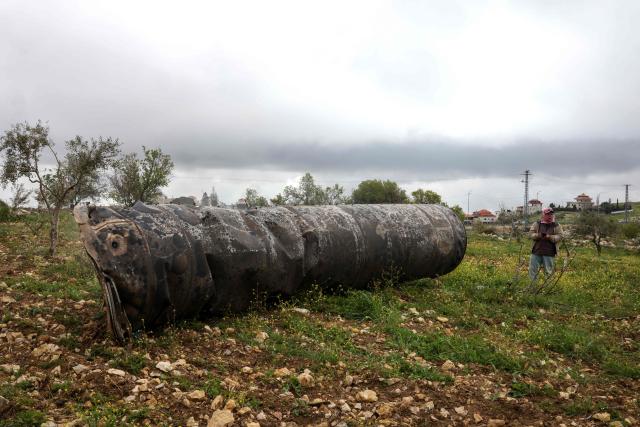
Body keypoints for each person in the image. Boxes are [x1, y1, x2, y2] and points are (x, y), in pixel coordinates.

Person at [528, 207, 563, 281]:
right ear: (543, 215)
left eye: (551, 214)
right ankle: (533, 288)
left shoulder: (556, 225)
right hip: (536, 251)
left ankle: (547, 289)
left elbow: (560, 236)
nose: (550, 216)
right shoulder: (537, 224)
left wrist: (549, 237)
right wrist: (538, 235)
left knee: (548, 272)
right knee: (533, 271)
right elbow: (531, 234)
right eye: (547, 214)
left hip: (549, 253)